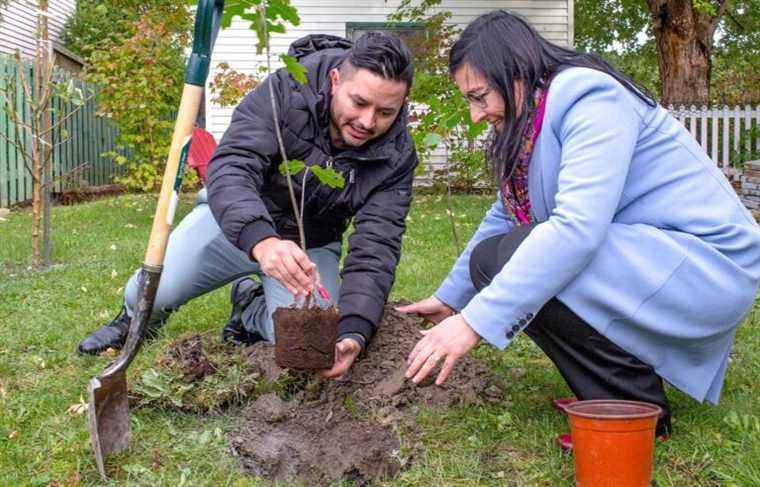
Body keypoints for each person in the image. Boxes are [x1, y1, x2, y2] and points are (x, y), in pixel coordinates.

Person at [399, 10, 760, 439]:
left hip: (705, 268)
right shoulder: (530, 121)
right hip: (648, 258)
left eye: (480, 96)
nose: (477, 115)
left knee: (529, 254)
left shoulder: (590, 98)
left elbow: (576, 229)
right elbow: (503, 214)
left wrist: (474, 322)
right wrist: (450, 298)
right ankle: (606, 394)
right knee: (490, 259)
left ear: (515, 71)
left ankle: (633, 405)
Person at [78, 32, 418, 380]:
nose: (367, 121)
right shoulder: (286, 90)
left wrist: (354, 330)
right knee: (154, 290)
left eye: (385, 112)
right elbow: (232, 166)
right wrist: (263, 241)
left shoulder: (396, 155)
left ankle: (249, 309)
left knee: (311, 345)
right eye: (358, 103)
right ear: (335, 81)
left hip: (308, 248)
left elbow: (377, 244)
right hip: (232, 224)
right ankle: (135, 319)